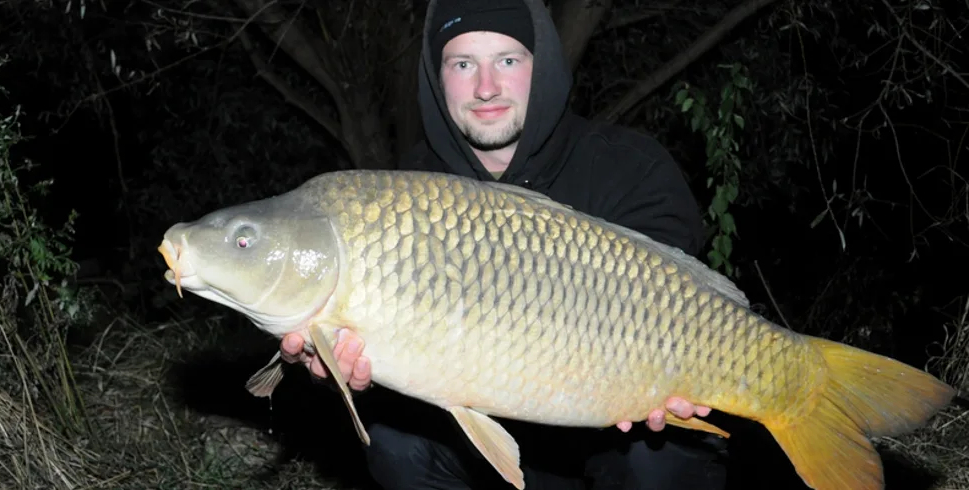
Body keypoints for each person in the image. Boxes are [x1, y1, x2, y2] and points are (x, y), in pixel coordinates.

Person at [279, 0, 728, 488]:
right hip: (479, 448)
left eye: (508, 61)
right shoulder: (406, 196)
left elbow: (686, 310)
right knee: (395, 443)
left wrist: (672, 382)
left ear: (545, 67)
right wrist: (334, 368)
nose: (485, 87)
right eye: (463, 63)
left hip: (609, 438)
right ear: (436, 76)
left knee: (659, 458)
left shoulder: (631, 170)